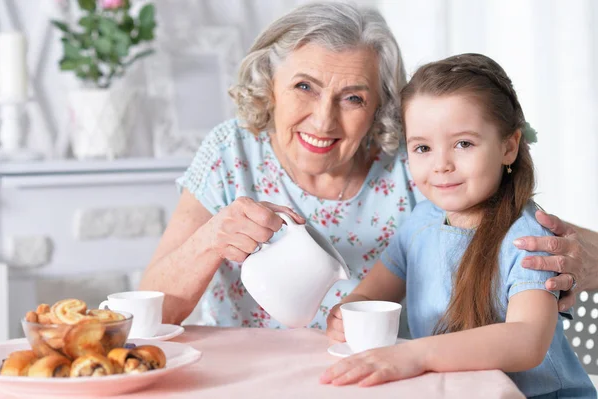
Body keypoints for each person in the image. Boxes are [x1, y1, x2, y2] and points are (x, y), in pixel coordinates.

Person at [139, 2, 598, 331]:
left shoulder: (413, 161)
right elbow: (151, 315)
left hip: (381, 376)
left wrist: (573, 258)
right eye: (304, 86)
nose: (323, 118)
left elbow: (524, 231)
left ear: (382, 106)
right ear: (269, 85)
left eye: (353, 97)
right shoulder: (230, 151)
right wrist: (211, 239)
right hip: (247, 375)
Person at [321, 54, 596, 397]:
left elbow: (527, 340)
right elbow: (371, 294)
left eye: (463, 144)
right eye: (422, 147)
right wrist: (348, 315)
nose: (441, 165)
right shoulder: (420, 222)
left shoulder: (528, 238)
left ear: (508, 146)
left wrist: (415, 354)